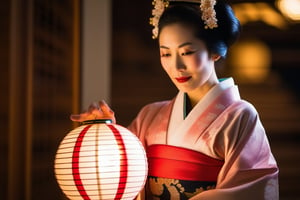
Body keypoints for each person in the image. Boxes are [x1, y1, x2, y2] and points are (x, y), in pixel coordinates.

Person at [71, 0, 279, 199]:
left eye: (187, 52)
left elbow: (250, 190)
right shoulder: (149, 116)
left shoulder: (239, 116)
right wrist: (103, 130)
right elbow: (120, 173)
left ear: (214, 51)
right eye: (166, 54)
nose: (176, 66)